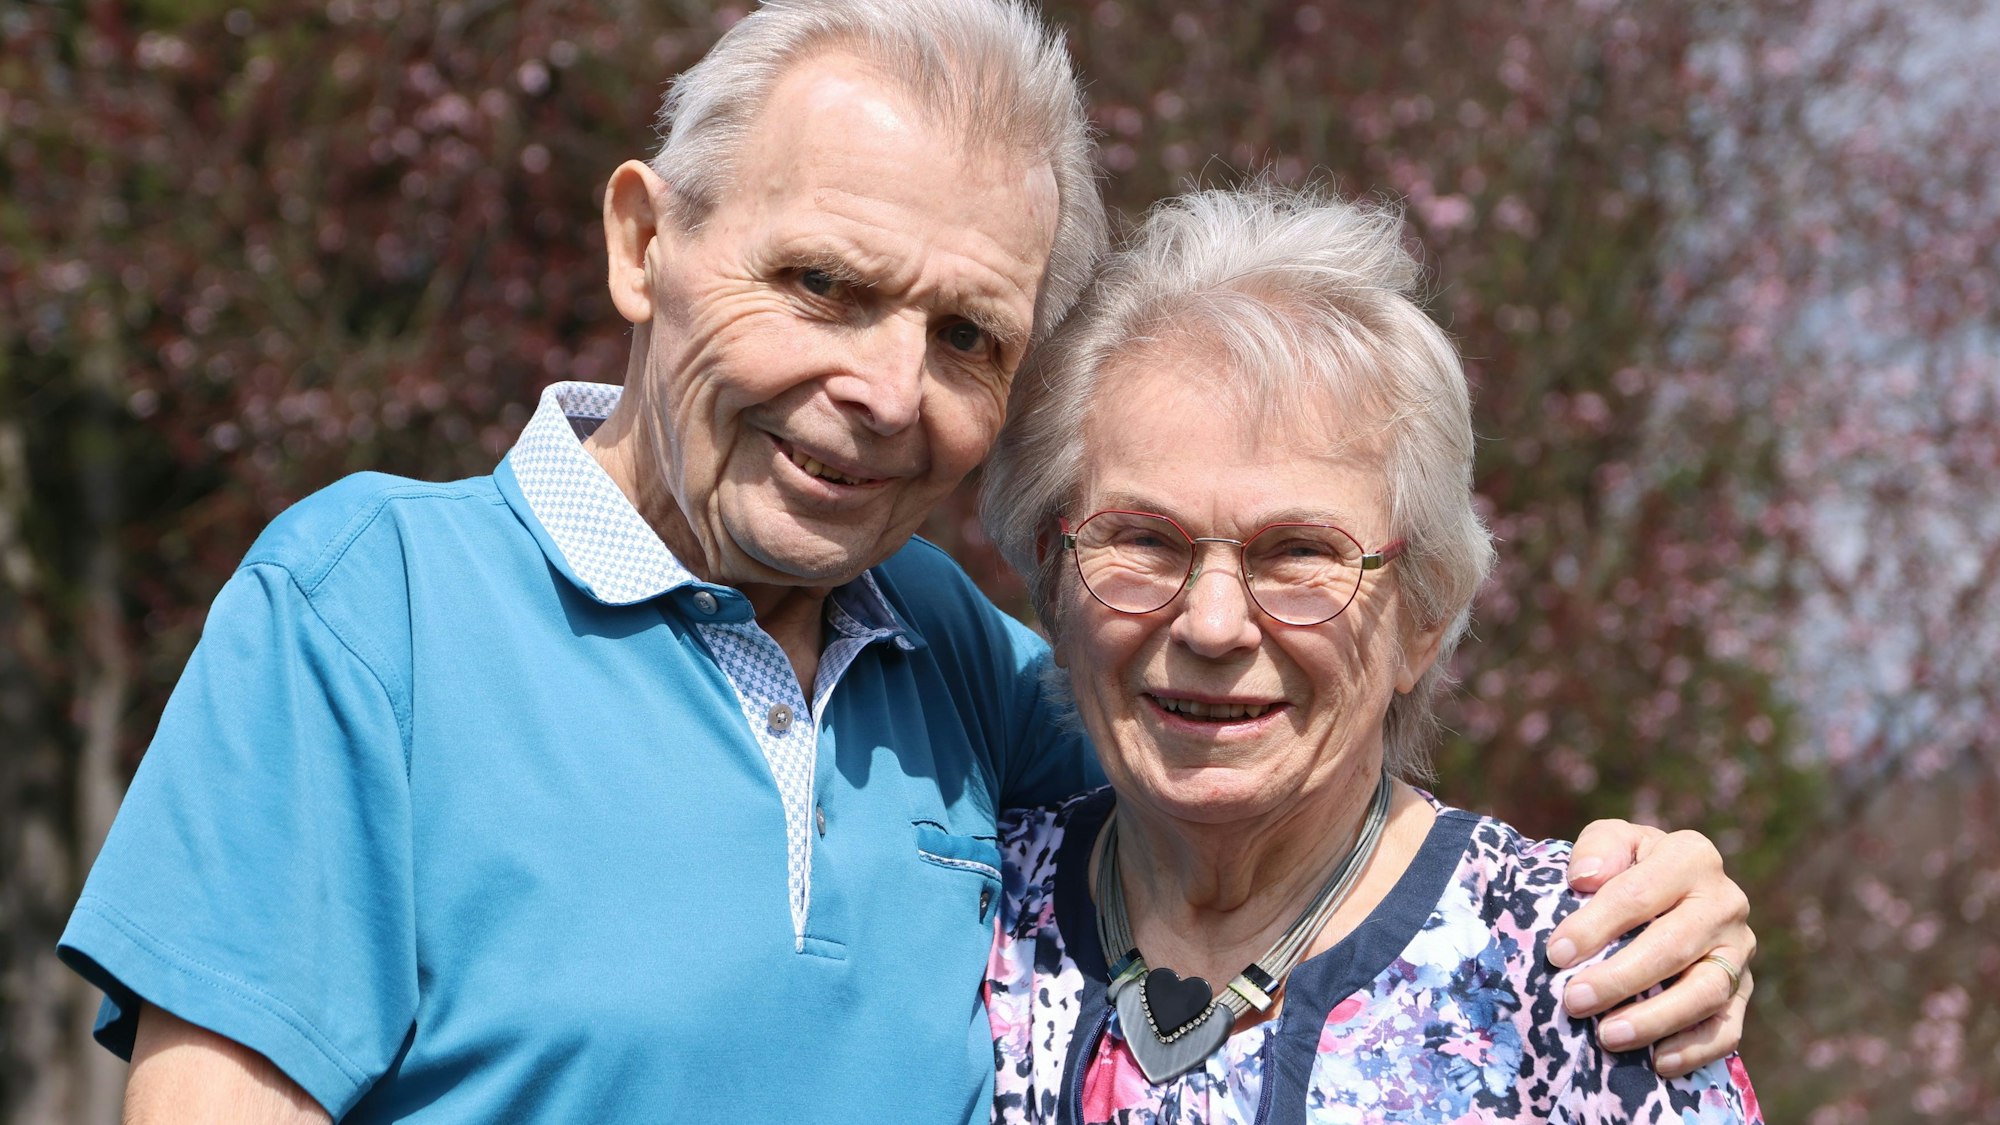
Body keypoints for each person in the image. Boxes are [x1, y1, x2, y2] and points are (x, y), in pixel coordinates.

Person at [58, 2, 1752, 1121]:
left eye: (963, 335)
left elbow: (1263, 767)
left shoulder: (954, 658)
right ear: (647, 240)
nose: (880, 391)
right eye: (822, 287)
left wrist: (1645, 891)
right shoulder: (372, 606)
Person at [979, 185, 1761, 1122]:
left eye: (1299, 551)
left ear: (1422, 615)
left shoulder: (1583, 973)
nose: (1213, 623)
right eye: (1144, 539)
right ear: (1054, 577)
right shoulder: (964, 903)